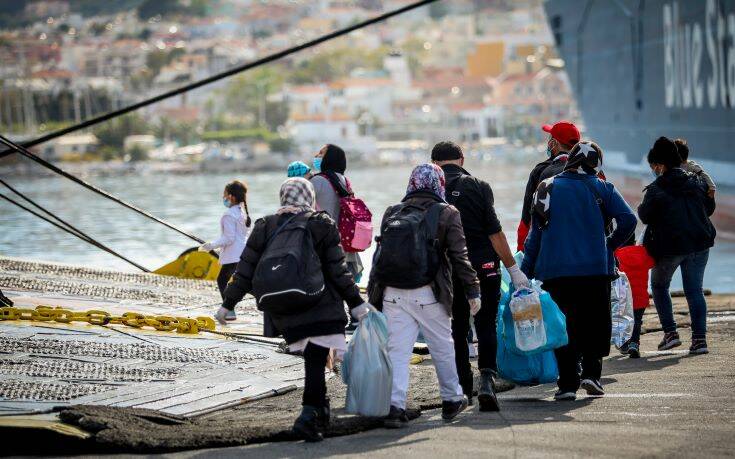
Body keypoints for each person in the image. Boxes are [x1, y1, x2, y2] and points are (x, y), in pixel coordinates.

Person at [218, 177, 370, 442]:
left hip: (284, 310)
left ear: (283, 197)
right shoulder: (320, 223)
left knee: (313, 358)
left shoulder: (266, 225)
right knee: (315, 358)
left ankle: (319, 414)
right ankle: (309, 414)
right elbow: (337, 270)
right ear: (309, 197)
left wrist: (228, 304)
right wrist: (356, 303)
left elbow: (245, 270)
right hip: (320, 305)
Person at [521, 141, 636, 400]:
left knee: (564, 325)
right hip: (595, 270)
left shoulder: (546, 187)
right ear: (596, 163)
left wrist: (525, 272)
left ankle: (567, 384)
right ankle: (592, 376)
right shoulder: (602, 187)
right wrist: (609, 245)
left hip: (556, 271)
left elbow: (534, 235)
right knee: (594, 323)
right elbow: (629, 220)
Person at [368, 163, 479, 428]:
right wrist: (473, 290)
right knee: (442, 346)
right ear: (438, 183)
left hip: (392, 292)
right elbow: (459, 256)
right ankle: (452, 399)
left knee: (397, 350)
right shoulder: (446, 212)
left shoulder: (393, 211)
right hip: (428, 291)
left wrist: (373, 296)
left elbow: (379, 257)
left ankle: (394, 407)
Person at [431, 141, 529, 411]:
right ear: (461, 159)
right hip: (485, 266)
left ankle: (464, 388)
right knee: (486, 323)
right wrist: (514, 269)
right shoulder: (478, 186)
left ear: (434, 162)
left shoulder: (431, 190)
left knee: (458, 328)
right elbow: (494, 233)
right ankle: (487, 381)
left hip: (450, 270)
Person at [639, 137, 716, 355]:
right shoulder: (697, 181)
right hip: (700, 243)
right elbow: (708, 209)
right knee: (695, 291)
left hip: (670, 248)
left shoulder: (656, 189)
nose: (654, 170)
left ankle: (671, 334)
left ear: (661, 165)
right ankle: (700, 340)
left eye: (654, 166)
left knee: (660, 286)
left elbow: (644, 216)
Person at [517, 121, 581, 252]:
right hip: (587, 251)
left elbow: (527, 220)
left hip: (551, 252)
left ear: (553, 144)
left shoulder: (541, 171)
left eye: (550, 138)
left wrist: (521, 253)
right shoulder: (592, 170)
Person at [310, 144, 363, 283]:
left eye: (321, 153)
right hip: (343, 238)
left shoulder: (317, 181)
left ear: (330, 158)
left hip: (321, 240)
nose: (317, 156)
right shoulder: (344, 180)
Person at [200, 180, 252, 320]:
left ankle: (228, 311)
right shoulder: (242, 212)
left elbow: (228, 238)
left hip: (233, 255)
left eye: (225, 194)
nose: (223, 197)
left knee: (222, 280)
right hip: (243, 254)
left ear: (232, 197)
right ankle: (230, 310)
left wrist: (210, 245)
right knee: (244, 283)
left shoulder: (229, 214)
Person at [615, 242, 655, 358]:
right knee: (637, 320)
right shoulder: (643, 252)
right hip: (641, 296)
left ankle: (623, 344)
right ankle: (634, 344)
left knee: (623, 319)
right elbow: (652, 262)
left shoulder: (617, 253)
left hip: (624, 295)